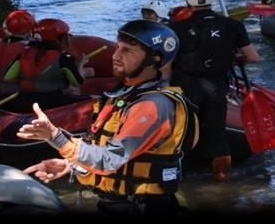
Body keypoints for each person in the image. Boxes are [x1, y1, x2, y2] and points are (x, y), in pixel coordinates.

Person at [19, 20, 189, 216]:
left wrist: (55, 137)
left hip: (141, 208)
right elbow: (105, 150)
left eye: (128, 51)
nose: (116, 55)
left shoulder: (152, 105)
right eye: (118, 47)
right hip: (119, 205)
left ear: (154, 60)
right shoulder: (123, 96)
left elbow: (109, 160)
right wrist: (70, 165)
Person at [170, 0, 260, 182]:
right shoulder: (233, 25)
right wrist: (233, 58)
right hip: (217, 87)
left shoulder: (177, 29)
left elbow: (166, 65)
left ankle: (176, 181)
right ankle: (221, 184)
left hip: (186, 88)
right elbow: (253, 57)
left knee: (182, 135)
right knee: (218, 138)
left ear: (187, 0)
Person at [7, 18, 85, 104]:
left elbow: (8, 77)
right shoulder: (64, 58)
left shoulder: (23, 54)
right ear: (59, 38)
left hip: (24, 101)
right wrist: (81, 64)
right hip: (51, 102)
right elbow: (77, 83)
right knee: (97, 98)